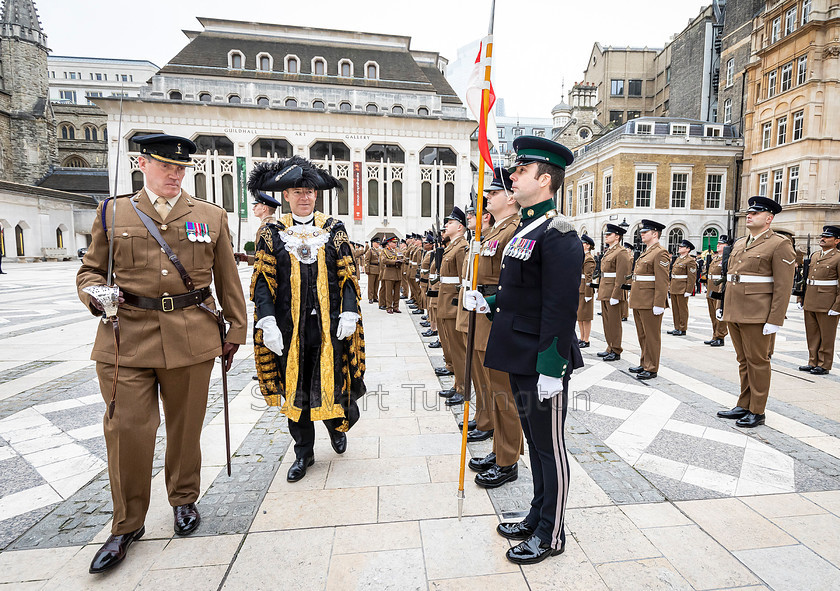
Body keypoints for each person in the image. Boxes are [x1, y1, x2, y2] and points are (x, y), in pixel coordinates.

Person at [76, 134, 247, 574]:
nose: (175, 174)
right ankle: (127, 523)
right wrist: (94, 294)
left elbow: (228, 277)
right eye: (166, 166)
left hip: (191, 336)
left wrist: (236, 330)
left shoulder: (209, 215)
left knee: (186, 428)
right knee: (127, 429)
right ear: (141, 164)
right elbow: (91, 269)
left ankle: (183, 499)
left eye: (181, 168)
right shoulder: (114, 212)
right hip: (125, 338)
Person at [467, 136, 583, 565]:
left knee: (550, 448)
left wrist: (553, 367)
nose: (512, 176)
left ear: (545, 179)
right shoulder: (527, 229)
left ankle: (552, 533)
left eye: (521, 171)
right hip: (518, 351)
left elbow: (559, 306)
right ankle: (538, 514)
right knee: (535, 444)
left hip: (542, 357)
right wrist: (491, 302)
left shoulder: (560, 234)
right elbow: (522, 292)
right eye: (514, 171)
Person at [249, 155, 366, 480]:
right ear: (286, 195)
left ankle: (336, 426)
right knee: (296, 388)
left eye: (309, 191)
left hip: (329, 326)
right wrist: (267, 320)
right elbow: (263, 280)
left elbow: (347, 275)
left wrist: (349, 311)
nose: (304, 196)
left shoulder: (333, 228)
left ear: (316, 195)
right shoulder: (272, 232)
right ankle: (304, 453)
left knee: (331, 380)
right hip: (290, 328)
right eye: (297, 191)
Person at [465, 166, 525, 488]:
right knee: (494, 389)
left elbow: (508, 282)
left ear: (512, 199)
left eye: (495, 192)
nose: (487, 196)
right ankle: (501, 449)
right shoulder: (493, 232)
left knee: (504, 395)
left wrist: (487, 299)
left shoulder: (514, 230)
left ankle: (508, 460)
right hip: (484, 314)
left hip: (497, 318)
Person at [718, 196, 796, 427]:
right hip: (735, 310)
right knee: (743, 360)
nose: (749, 215)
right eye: (749, 212)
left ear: (768, 218)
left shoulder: (779, 244)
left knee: (758, 361)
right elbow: (730, 278)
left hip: (757, 313)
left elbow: (783, 285)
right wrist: (723, 306)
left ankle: (758, 410)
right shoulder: (742, 242)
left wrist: (775, 319)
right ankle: (744, 404)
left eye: (756, 213)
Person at [628, 219, 670, 380]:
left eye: (645, 232)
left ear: (655, 233)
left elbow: (662, 280)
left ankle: (651, 367)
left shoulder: (660, 252)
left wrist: (659, 303)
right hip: (640, 299)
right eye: (642, 232)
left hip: (650, 301)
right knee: (642, 334)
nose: (642, 234)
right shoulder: (647, 251)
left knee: (651, 335)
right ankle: (644, 362)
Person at [436, 208, 469, 405]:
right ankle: (458, 384)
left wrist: (458, 306)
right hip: (445, 303)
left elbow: (462, 280)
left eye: (450, 222)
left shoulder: (462, 247)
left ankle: (463, 388)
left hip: (453, 305)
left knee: (459, 350)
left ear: (460, 226)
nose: (447, 225)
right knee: (453, 348)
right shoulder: (452, 246)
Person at [798, 225, 840, 375]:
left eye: (827, 237)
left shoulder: (838, 257)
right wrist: (801, 297)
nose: (823, 239)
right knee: (812, 334)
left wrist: (837, 306)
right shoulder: (815, 255)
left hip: (827, 302)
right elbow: (806, 279)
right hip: (811, 299)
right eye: (822, 236)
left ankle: (824, 364)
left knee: (826, 336)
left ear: (837, 240)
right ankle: (812, 361)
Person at [596, 224, 632, 361]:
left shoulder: (621, 252)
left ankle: (616, 349)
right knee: (607, 321)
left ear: (617, 236)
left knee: (614, 322)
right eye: (606, 234)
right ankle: (609, 346)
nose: (606, 236)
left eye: (609, 234)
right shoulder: (609, 251)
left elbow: (622, 275)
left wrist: (616, 295)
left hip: (613, 291)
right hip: (606, 289)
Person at [704, 236, 730, 347]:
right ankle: (715, 335)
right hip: (711, 288)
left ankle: (720, 336)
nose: (718, 245)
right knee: (712, 314)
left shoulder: (727, 258)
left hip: (719, 288)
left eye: (721, 244)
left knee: (719, 314)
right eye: (718, 243)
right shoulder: (715, 258)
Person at [667, 240, 697, 336]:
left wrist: (689, 290)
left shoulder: (690, 260)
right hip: (674, 286)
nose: (679, 247)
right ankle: (676, 327)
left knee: (682, 309)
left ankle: (682, 328)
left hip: (682, 287)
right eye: (679, 246)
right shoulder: (678, 259)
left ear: (688, 249)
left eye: (682, 246)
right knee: (675, 309)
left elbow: (692, 276)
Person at [577, 235, 596, 348]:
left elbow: (588, 277)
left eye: (583, 243)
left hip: (585, 290)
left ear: (588, 245)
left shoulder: (588, 258)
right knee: (580, 316)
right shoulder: (582, 256)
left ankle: (586, 339)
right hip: (579, 288)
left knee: (586, 317)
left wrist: (588, 293)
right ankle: (582, 337)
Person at [379, 236, 402, 313]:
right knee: (388, 292)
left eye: (396, 242)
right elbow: (384, 260)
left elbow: (403, 258)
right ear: (389, 243)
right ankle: (389, 307)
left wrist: (401, 261)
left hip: (397, 273)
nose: (395, 244)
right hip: (389, 273)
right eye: (394, 242)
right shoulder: (384, 251)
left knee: (397, 292)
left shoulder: (397, 250)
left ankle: (396, 306)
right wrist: (395, 262)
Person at [363, 237, 381, 304]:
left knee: (377, 284)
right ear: (373, 243)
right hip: (372, 269)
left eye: (378, 243)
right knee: (371, 285)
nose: (378, 244)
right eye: (377, 243)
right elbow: (367, 260)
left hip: (378, 269)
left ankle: (375, 297)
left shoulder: (379, 251)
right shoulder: (370, 251)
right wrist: (367, 269)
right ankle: (370, 298)